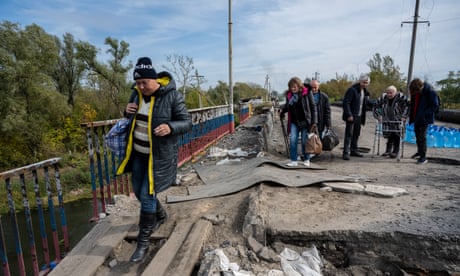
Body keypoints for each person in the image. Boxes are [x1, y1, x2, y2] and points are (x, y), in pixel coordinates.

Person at [116, 57, 192, 263]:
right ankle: (160, 215)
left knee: (147, 195)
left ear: (155, 80)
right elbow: (132, 119)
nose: (140, 87)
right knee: (139, 192)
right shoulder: (136, 94)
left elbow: (186, 122)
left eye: (144, 83)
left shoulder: (172, 96)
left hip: (157, 157)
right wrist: (126, 112)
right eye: (137, 83)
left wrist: (170, 127)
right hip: (138, 153)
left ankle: (143, 244)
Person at [280, 77, 317, 166]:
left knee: (304, 141)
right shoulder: (289, 96)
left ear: (299, 86)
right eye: (291, 87)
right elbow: (287, 106)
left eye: (294, 87)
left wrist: (314, 121)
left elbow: (313, 107)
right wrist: (282, 111)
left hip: (305, 121)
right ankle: (293, 160)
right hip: (294, 122)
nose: (292, 89)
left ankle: (306, 159)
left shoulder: (307, 93)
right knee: (293, 140)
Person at [408, 78, 439, 164]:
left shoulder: (430, 92)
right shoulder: (416, 92)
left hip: (425, 119)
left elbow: (435, 106)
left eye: (417, 91)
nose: (416, 93)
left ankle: (423, 157)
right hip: (416, 118)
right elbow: (413, 104)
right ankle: (419, 152)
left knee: (422, 137)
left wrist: (424, 114)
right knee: (417, 136)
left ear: (421, 87)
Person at [373, 85, 409, 158]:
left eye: (391, 93)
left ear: (395, 92)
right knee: (389, 135)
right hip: (387, 119)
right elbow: (376, 106)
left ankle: (395, 151)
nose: (389, 94)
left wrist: (404, 116)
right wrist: (378, 115)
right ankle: (388, 150)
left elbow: (407, 106)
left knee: (397, 135)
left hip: (398, 120)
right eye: (388, 93)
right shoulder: (383, 98)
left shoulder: (401, 98)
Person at [342, 74, 371, 160]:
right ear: (360, 81)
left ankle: (353, 150)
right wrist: (349, 114)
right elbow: (346, 103)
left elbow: (367, 103)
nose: (365, 84)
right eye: (363, 82)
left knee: (356, 134)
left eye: (366, 83)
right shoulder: (352, 90)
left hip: (359, 116)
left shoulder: (365, 92)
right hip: (351, 116)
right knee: (349, 134)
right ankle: (346, 152)